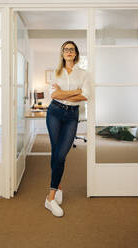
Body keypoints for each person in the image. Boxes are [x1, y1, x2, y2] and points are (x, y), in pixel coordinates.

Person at [45, 40, 92, 217]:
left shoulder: (84, 74)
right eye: (66, 49)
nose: (69, 52)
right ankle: (52, 196)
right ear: (62, 54)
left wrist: (66, 93)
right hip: (55, 113)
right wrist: (75, 91)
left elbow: (85, 95)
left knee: (61, 154)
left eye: (72, 49)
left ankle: (53, 192)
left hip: (72, 115)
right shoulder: (57, 73)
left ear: (76, 53)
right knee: (56, 152)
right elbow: (54, 95)